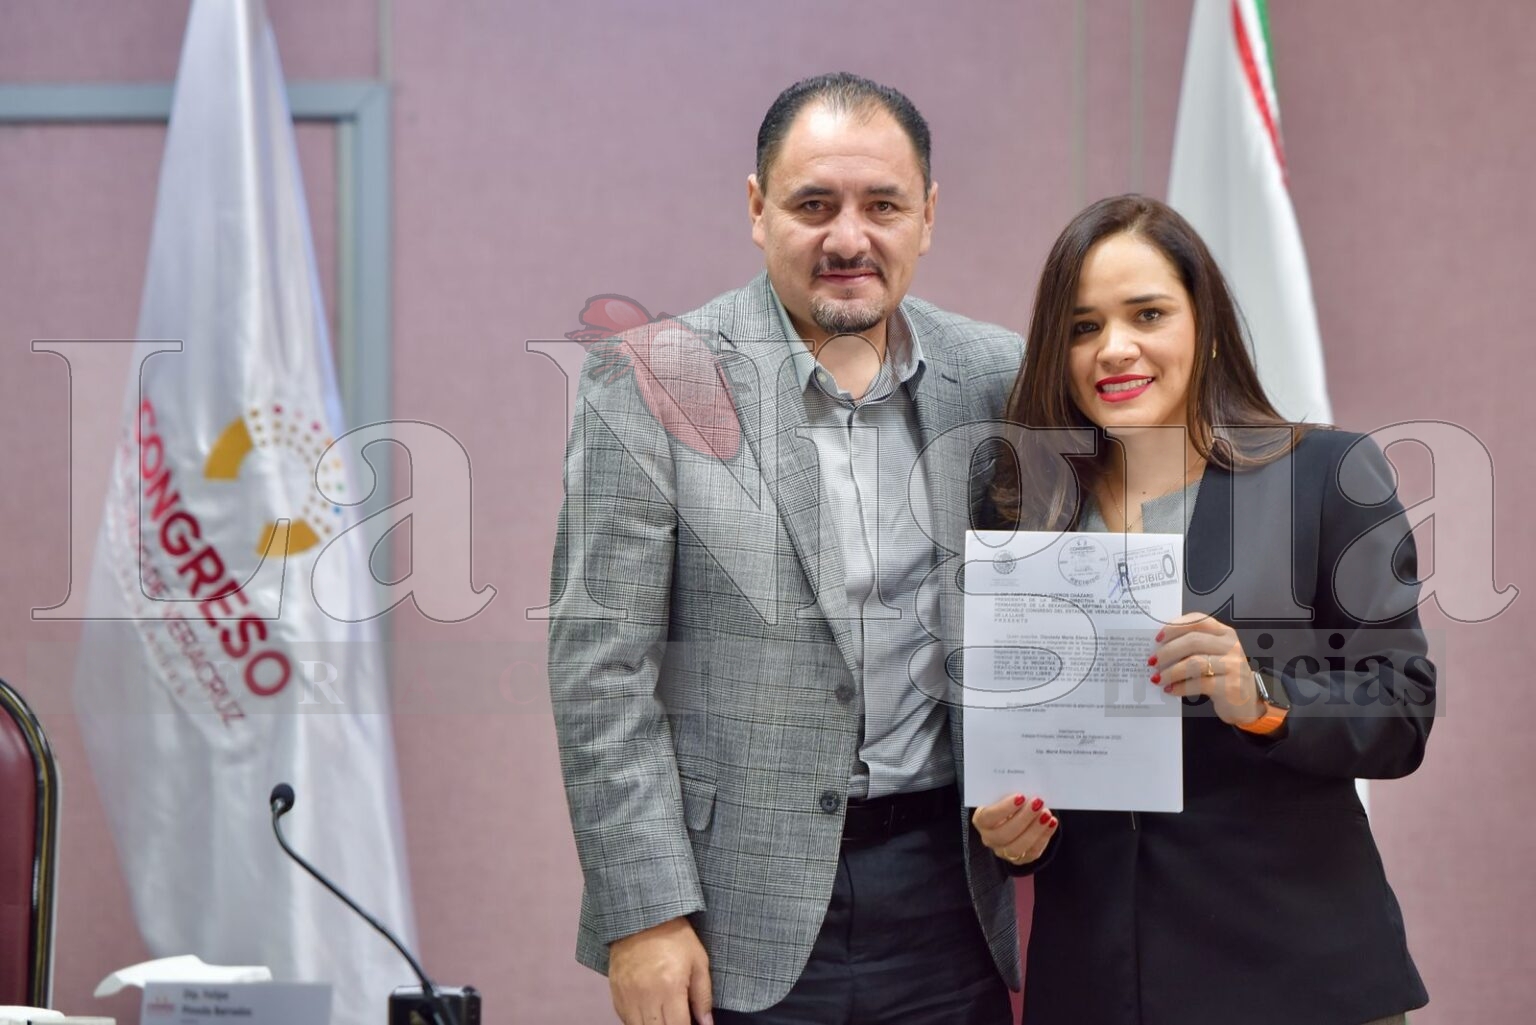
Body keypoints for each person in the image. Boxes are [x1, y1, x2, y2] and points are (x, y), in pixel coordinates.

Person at [548, 73, 1026, 1025]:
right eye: (814, 205)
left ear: (928, 216)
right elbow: (600, 671)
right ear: (757, 209)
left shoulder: (995, 377)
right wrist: (644, 915)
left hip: (951, 905)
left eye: (882, 205)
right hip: (732, 915)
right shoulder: (653, 379)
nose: (848, 239)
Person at [971, 194, 1434, 1025]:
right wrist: (1014, 832)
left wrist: (1261, 698)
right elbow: (1033, 753)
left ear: (1206, 326)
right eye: (1082, 327)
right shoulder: (1028, 515)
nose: (1115, 347)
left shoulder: (1326, 475)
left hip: (1298, 981)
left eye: (1147, 313)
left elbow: (1401, 712)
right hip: (1099, 984)